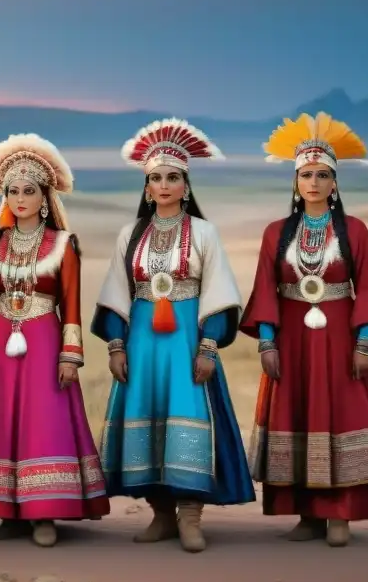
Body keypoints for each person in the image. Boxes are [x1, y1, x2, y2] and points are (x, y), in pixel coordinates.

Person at [240, 111, 368, 547]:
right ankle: (308, 515)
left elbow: (367, 288)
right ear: (295, 181)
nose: (313, 182)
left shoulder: (355, 231)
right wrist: (267, 343)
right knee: (296, 414)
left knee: (340, 414)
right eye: (306, 174)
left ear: (335, 183)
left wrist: (365, 342)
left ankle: (340, 515)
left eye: (323, 174)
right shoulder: (276, 233)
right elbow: (264, 290)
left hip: (339, 337)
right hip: (291, 336)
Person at [91, 118, 255, 553]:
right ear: (146, 187)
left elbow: (218, 289)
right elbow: (116, 290)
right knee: (147, 416)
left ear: (186, 184)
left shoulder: (204, 232)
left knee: (188, 414)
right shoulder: (131, 234)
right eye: (156, 178)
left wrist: (208, 345)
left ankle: (191, 518)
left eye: (173, 177)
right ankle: (161, 516)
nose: (163, 185)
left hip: (185, 337)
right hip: (143, 339)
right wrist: (115, 343)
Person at [0, 133, 110, 547]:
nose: (21, 198)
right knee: (1, 422)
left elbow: (70, 304)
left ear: (45, 196)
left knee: (43, 420)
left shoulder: (63, 244)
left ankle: (45, 514)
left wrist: (70, 355)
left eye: (30, 190)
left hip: (43, 340)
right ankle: (8, 511)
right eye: (13, 191)